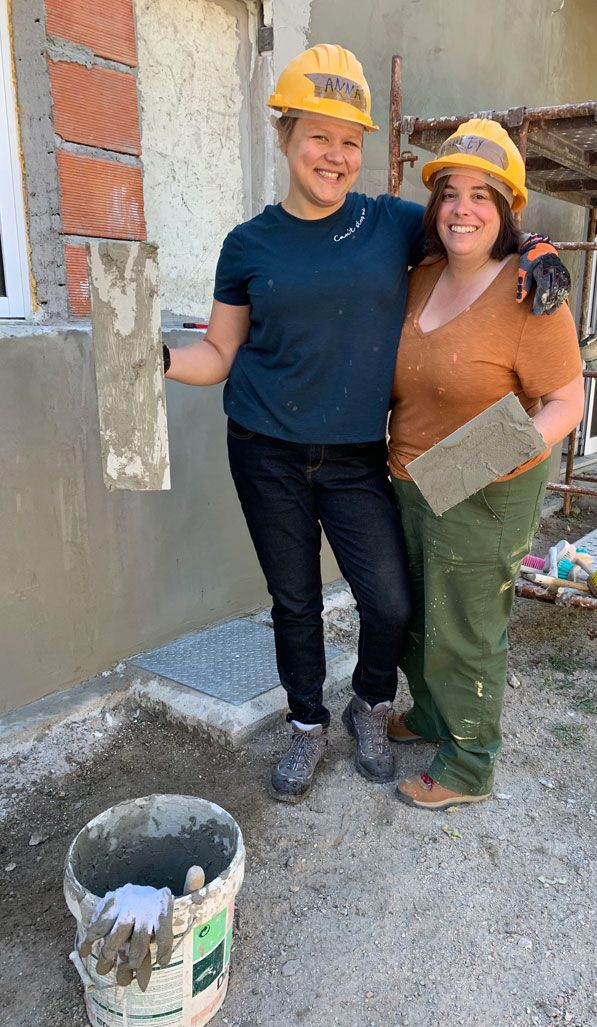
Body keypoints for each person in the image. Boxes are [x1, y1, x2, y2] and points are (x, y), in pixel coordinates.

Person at [162, 46, 571, 803]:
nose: (336, 155)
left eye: (350, 141)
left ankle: (371, 704)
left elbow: (475, 224)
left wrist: (540, 245)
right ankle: (308, 724)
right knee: (295, 602)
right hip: (264, 449)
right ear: (285, 137)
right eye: (319, 136)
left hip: (356, 457)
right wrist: (156, 360)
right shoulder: (246, 245)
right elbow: (219, 351)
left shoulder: (390, 224)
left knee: (388, 599)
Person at [386, 119, 585, 809]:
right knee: (415, 612)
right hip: (409, 474)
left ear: (505, 210)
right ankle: (436, 715)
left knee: (467, 624)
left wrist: (483, 462)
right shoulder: (422, 276)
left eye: (482, 195)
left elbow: (566, 400)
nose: (462, 208)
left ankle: (470, 762)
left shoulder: (531, 292)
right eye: (450, 193)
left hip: (485, 481)